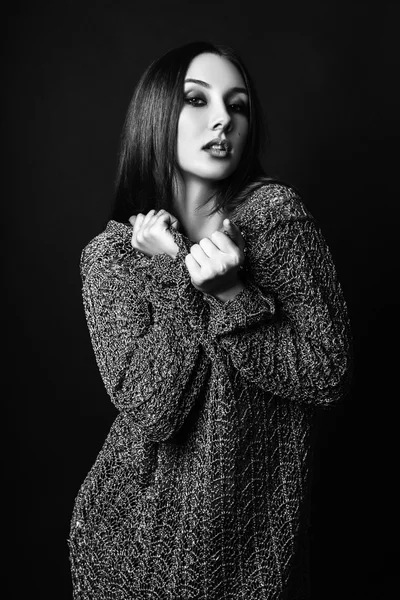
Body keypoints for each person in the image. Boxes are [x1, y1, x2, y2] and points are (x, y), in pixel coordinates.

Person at [69, 41, 353, 599]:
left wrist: (232, 295)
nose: (223, 117)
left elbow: (327, 373)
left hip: (252, 549)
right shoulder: (111, 256)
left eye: (238, 105)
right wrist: (179, 277)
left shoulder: (275, 222)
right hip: (130, 545)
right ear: (156, 114)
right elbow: (154, 411)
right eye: (197, 100)